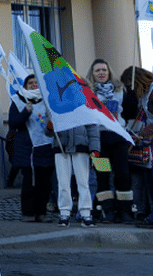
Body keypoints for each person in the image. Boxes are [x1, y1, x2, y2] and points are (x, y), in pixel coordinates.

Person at [86, 59, 137, 223]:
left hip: (118, 138)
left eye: (104, 70)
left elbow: (129, 113)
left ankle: (125, 210)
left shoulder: (121, 90)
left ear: (109, 72)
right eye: (97, 71)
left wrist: (132, 99)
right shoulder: (88, 92)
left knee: (122, 175)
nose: (101, 73)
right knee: (102, 175)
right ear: (92, 74)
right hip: (98, 140)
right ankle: (108, 210)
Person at [8, 74, 55, 222]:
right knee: (30, 183)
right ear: (26, 86)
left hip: (46, 148)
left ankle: (41, 213)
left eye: (36, 83)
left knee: (45, 184)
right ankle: (28, 213)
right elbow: (13, 123)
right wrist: (25, 112)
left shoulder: (48, 100)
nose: (34, 85)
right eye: (30, 83)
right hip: (28, 150)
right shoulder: (18, 101)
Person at [46, 121, 100, 227]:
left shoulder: (83, 106)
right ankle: (66, 212)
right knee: (63, 182)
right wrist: (50, 127)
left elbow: (92, 128)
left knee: (82, 182)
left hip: (76, 146)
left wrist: (94, 148)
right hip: (63, 147)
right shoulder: (56, 106)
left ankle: (83, 212)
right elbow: (48, 132)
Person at [120, 66, 153, 228]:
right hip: (147, 148)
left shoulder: (151, 93)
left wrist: (146, 132)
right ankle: (148, 213)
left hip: (149, 143)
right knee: (147, 182)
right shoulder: (143, 95)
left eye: (130, 86)